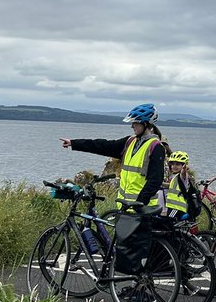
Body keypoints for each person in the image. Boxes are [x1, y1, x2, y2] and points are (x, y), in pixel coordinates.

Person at [60, 102, 166, 281]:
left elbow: (154, 181)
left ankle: (145, 293)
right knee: (129, 256)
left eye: (135, 123)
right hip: (126, 208)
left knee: (139, 256)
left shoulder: (156, 147)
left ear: (146, 124)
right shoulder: (131, 142)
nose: (132, 126)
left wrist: (139, 201)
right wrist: (74, 143)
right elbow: (103, 145)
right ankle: (136, 288)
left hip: (142, 209)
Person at [161, 150, 201, 221]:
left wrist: (184, 170)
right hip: (173, 207)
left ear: (183, 165)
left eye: (177, 164)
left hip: (177, 208)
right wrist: (160, 183)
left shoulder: (183, 177)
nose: (174, 166)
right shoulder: (176, 177)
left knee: (169, 224)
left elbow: (183, 174)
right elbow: (170, 186)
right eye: (173, 164)